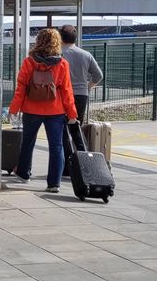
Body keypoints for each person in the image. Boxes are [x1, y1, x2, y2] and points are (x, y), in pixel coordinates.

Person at [7, 28, 78, 193]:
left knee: (28, 142)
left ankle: (23, 174)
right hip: (55, 110)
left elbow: (21, 88)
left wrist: (14, 108)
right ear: (57, 43)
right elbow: (67, 91)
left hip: (32, 109)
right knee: (56, 146)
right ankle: (53, 183)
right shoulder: (62, 64)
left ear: (38, 41)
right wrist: (72, 114)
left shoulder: (29, 62)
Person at [60, 24, 103, 173]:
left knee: (62, 131)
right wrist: (88, 86)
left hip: (62, 96)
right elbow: (99, 75)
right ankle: (84, 164)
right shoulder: (86, 54)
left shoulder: (58, 54)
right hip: (81, 95)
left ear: (60, 37)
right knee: (76, 129)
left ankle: (66, 166)